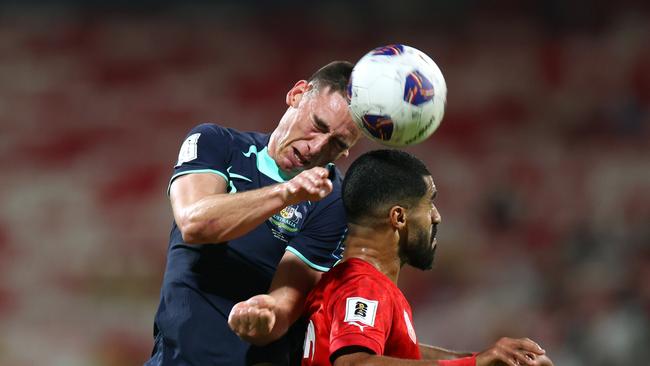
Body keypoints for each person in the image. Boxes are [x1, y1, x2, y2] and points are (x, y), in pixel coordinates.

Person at [231, 150, 554, 366]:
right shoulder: (363, 285)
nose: (437, 217)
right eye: (429, 204)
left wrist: (482, 358)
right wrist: (475, 362)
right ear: (398, 217)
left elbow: (394, 353)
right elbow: (355, 363)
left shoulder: (343, 282)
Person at [145, 61, 362, 365]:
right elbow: (195, 222)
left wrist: (265, 318)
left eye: (337, 143)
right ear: (297, 94)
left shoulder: (332, 202)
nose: (316, 148)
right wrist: (286, 193)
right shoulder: (217, 144)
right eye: (318, 125)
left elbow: (284, 306)